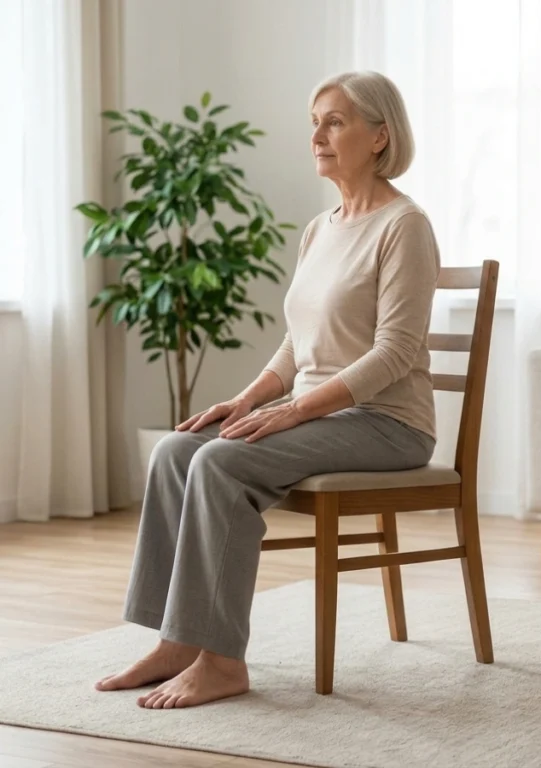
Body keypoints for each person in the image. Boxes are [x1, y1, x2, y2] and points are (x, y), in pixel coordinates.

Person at [95, 71, 441, 709]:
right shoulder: (321, 228)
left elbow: (394, 354)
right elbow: (295, 341)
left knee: (223, 464)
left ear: (379, 135)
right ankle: (178, 640)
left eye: (334, 121)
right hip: (316, 415)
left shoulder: (405, 226)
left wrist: (294, 413)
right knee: (177, 448)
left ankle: (221, 661)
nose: (316, 135)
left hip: (387, 423)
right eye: (315, 120)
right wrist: (251, 399)